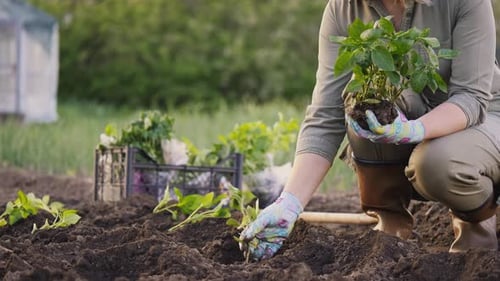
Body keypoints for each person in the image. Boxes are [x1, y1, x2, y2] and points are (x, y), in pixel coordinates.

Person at [240, 0, 500, 261]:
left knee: (435, 163)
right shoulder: (343, 8)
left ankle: (475, 231)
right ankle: (390, 232)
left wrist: (413, 130)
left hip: (484, 116)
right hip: (415, 114)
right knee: (364, 103)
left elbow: (470, 98)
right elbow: (325, 115)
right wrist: (289, 203)